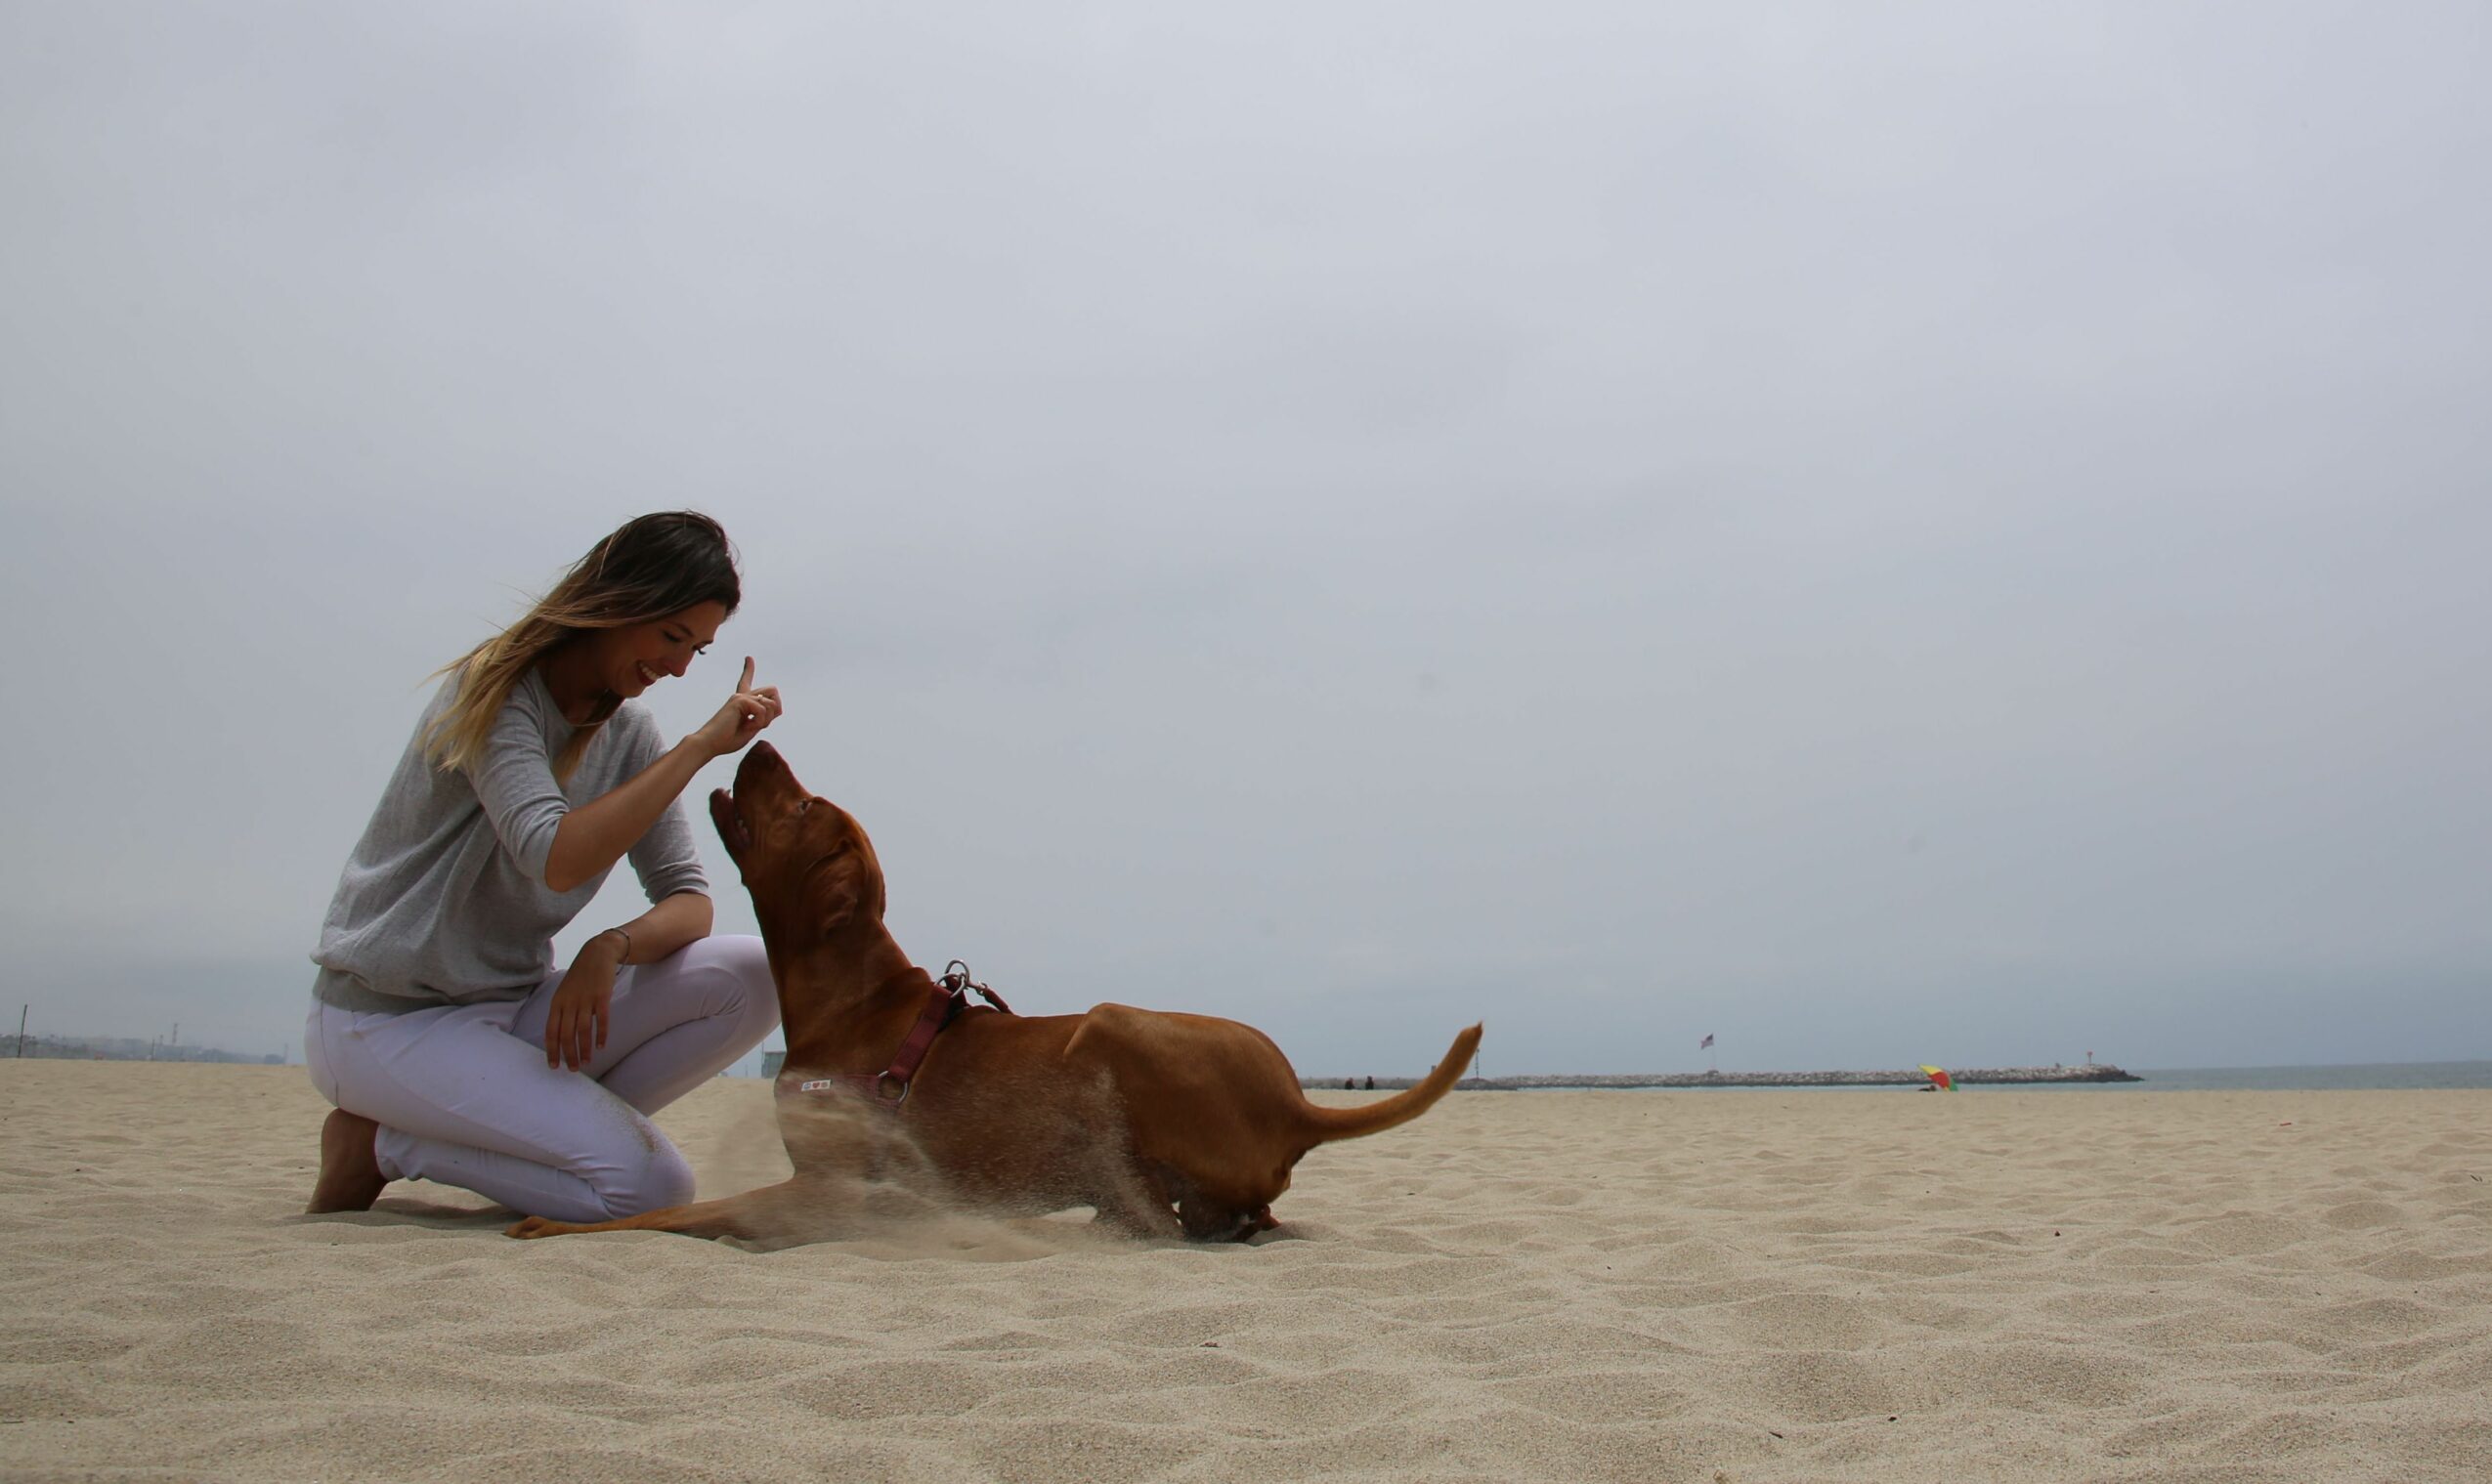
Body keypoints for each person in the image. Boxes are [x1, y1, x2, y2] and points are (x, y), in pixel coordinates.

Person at [303, 511, 785, 1221]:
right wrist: (701, 747)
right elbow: (552, 855)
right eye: (672, 636)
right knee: (650, 1189)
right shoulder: (497, 692)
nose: (680, 666)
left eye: (699, 650)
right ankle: (383, 1143)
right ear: (620, 604)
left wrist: (610, 945)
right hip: (386, 1022)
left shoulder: (630, 737)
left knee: (752, 974)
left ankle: (539, 1127)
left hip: (513, 1005)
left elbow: (689, 900)